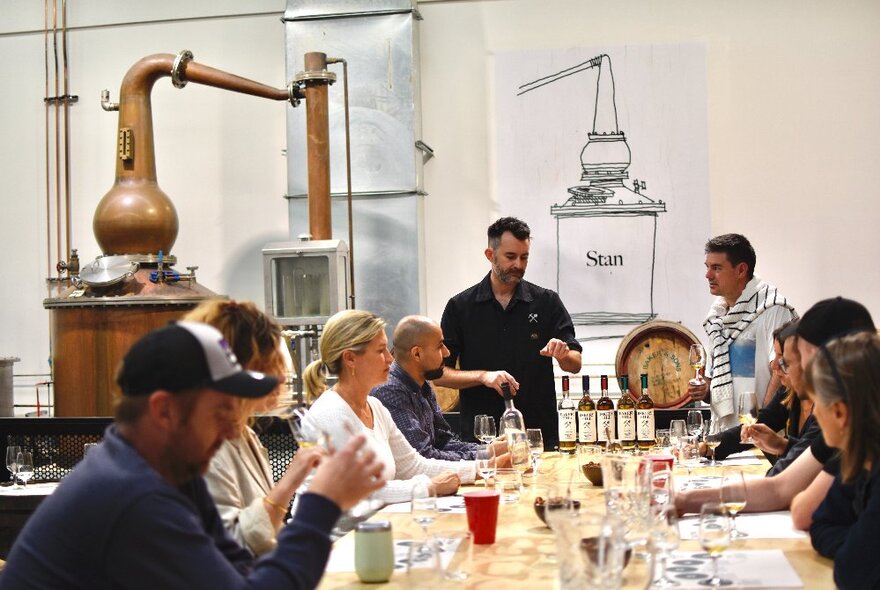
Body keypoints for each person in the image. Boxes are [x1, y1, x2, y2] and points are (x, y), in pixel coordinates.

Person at [0, 321, 384, 590]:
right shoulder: (132, 494)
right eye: (220, 411)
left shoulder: (168, 470)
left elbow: (240, 568)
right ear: (164, 411)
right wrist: (321, 504)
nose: (233, 428)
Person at [676, 296, 874, 518]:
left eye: (787, 362)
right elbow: (782, 490)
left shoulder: (838, 419)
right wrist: (683, 500)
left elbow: (798, 507)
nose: (776, 368)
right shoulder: (844, 426)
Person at [183, 300, 321, 556]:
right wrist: (291, 481)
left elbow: (267, 534)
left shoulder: (245, 432)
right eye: (272, 366)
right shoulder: (203, 443)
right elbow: (230, 545)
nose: (281, 380)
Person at [436, 217, 583, 449]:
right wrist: (483, 377)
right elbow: (439, 373)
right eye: (510, 257)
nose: (519, 265)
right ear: (489, 254)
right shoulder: (460, 306)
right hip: (482, 438)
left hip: (538, 436)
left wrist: (563, 355)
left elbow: (575, 364)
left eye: (524, 257)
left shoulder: (546, 302)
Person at [304, 310, 477, 503]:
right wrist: (430, 487)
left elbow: (412, 466)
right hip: (338, 533)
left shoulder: (375, 407)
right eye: (380, 351)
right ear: (350, 358)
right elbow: (364, 491)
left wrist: (483, 467)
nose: (390, 358)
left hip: (375, 525)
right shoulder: (331, 414)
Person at [689, 233, 795, 428]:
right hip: (723, 432)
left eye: (717, 268)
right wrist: (706, 391)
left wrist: (764, 423)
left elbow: (780, 372)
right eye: (708, 267)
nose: (708, 275)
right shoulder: (716, 318)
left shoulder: (773, 309)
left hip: (759, 433)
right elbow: (718, 382)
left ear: (741, 270)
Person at [371, 315, 508, 461]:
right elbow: (423, 456)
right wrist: (486, 454)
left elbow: (443, 442)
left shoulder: (423, 383)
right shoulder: (390, 390)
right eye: (440, 346)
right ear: (417, 353)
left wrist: (488, 449)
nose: (447, 352)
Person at [806, 332, 880, 589]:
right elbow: (821, 526)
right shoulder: (860, 458)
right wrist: (857, 542)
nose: (814, 412)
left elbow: (852, 572)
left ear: (839, 412)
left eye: (817, 403)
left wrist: (859, 548)